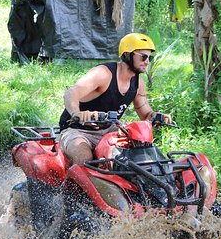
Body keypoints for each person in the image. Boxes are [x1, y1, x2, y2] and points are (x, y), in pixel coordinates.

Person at [58, 33, 173, 165]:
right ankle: (67, 185)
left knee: (136, 157)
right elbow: (71, 93)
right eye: (143, 57)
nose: (147, 61)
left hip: (109, 131)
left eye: (149, 58)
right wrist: (77, 113)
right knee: (85, 158)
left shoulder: (138, 83)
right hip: (77, 130)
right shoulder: (104, 74)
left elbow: (146, 114)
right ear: (127, 55)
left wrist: (157, 116)